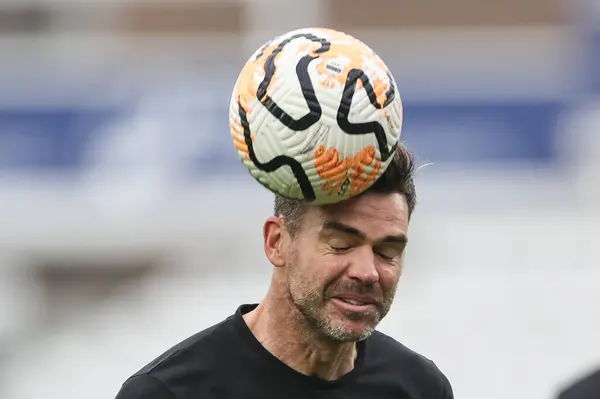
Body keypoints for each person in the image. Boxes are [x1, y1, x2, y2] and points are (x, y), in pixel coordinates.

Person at [115, 144, 454, 398]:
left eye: (387, 251)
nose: (368, 272)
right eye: (340, 244)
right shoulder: (168, 393)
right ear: (277, 242)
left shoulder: (420, 388)